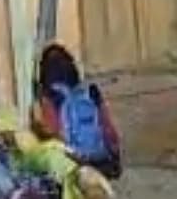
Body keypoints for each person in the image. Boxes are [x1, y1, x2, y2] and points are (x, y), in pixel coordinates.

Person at [30, 43, 122, 180]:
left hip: (75, 162)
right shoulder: (91, 92)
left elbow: (54, 134)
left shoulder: (50, 97)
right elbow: (109, 130)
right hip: (101, 158)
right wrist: (114, 155)